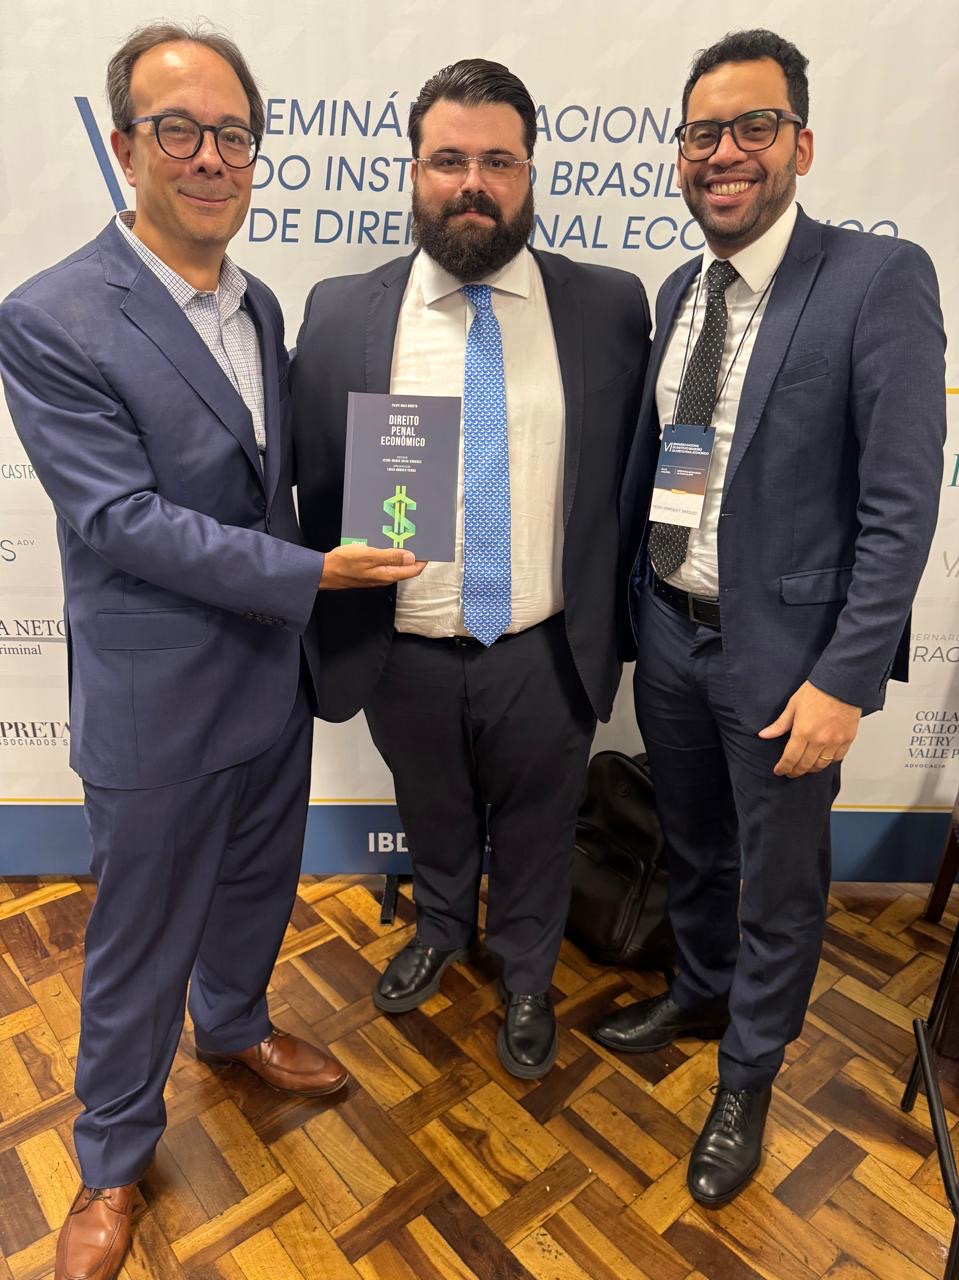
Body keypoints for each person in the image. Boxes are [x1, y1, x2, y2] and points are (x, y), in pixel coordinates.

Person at [0, 22, 422, 1280]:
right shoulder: (51, 315)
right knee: (138, 940)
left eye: (233, 135)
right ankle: (111, 1155)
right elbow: (120, 519)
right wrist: (313, 574)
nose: (209, 157)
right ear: (124, 145)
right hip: (160, 696)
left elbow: (262, 480)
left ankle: (234, 1024)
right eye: (178, 130)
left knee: (256, 886)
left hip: (270, 679)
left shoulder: (261, 301)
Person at [594, 29, 946, 1206]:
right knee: (692, 842)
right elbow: (671, 466)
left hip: (791, 661)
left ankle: (748, 1073)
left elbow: (899, 507)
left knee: (782, 881)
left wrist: (846, 678)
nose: (725, 153)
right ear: (681, 155)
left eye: (753, 126)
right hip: (672, 630)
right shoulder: (681, 290)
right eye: (703, 133)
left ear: (801, 142)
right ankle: (700, 992)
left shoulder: (877, 280)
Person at [292, 59, 650, 1080]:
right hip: (400, 642)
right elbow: (317, 477)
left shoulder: (608, 306)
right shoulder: (342, 311)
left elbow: (632, 474)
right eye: (449, 160)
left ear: (531, 173)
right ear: (414, 171)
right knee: (433, 807)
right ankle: (443, 926)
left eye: (499, 161)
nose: (473, 183)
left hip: (543, 643)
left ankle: (528, 973)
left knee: (540, 825)